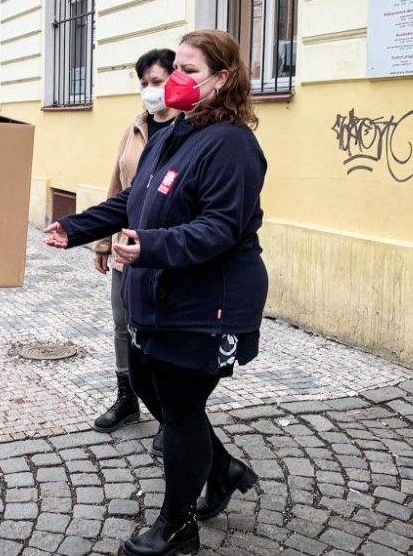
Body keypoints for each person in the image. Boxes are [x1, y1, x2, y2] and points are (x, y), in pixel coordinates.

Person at [42, 29, 266, 556]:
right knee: (146, 384)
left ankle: (177, 527)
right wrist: (75, 229)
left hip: (209, 302)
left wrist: (152, 246)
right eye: (178, 69)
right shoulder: (173, 132)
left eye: (189, 70)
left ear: (223, 78)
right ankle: (223, 470)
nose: (177, 81)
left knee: (182, 407)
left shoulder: (233, 144)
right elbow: (131, 202)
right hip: (160, 294)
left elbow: (221, 227)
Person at [91, 49, 179, 458]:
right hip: (126, 248)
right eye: (143, 83)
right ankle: (128, 398)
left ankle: (171, 417)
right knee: (122, 325)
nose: (149, 91)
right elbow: (117, 187)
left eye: (157, 82)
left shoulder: (189, 131)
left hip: (164, 254)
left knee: (163, 336)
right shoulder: (136, 128)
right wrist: (104, 242)